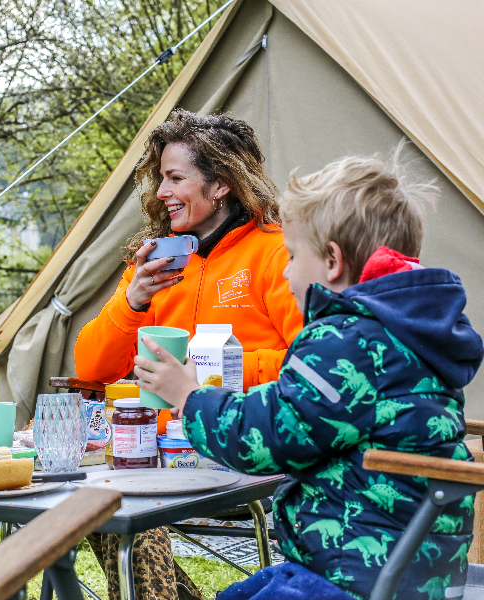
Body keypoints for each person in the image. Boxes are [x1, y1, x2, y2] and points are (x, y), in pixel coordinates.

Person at [134, 150, 484, 600]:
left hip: (353, 575)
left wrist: (189, 395)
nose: (286, 271)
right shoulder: (412, 334)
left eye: (293, 256)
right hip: (414, 571)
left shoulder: (346, 341)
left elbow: (267, 437)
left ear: (332, 263)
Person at [75, 110, 302, 600]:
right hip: (156, 454)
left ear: (220, 184)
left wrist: (211, 373)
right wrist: (132, 299)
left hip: (245, 449)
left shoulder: (276, 252)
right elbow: (90, 369)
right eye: (160, 178)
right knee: (91, 505)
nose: (161, 192)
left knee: (121, 512)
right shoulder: (158, 262)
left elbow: (313, 362)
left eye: (176, 177)